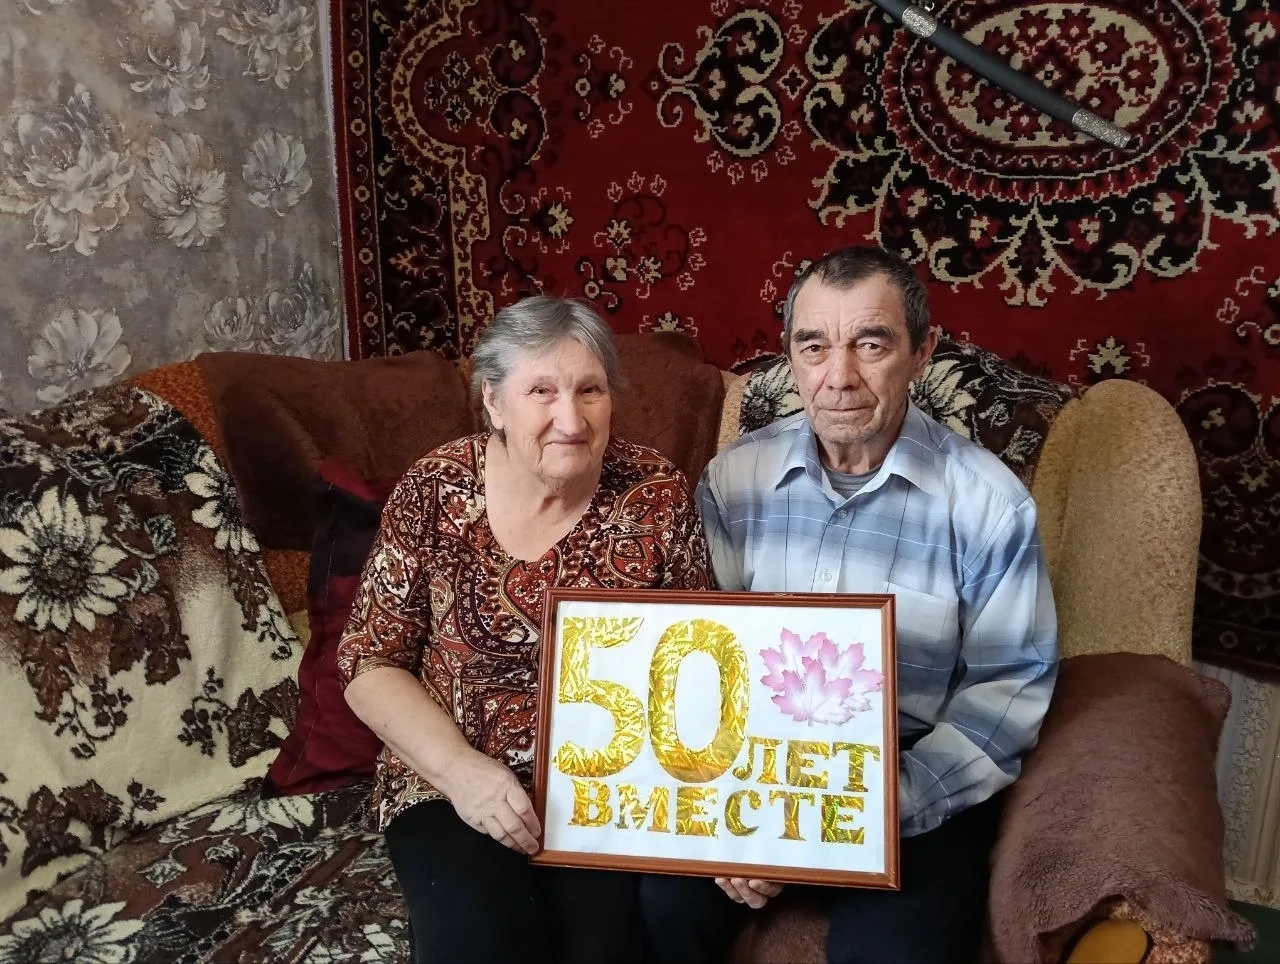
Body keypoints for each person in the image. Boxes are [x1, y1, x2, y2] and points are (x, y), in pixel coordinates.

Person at [637, 246, 1059, 964]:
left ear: (922, 352)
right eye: (814, 346)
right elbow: (701, 662)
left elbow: (1006, 694)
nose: (839, 377)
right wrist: (734, 817)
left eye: (871, 344)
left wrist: (868, 813)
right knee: (656, 911)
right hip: (755, 775)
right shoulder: (734, 480)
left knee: (897, 954)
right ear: (790, 358)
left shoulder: (989, 504)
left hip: (908, 786)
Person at [337, 295, 712, 964]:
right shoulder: (435, 490)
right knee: (477, 939)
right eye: (542, 391)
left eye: (590, 390)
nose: (570, 418)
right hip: (449, 774)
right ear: (494, 401)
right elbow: (369, 660)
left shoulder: (655, 495)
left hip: (606, 784)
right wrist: (461, 772)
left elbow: (699, 661)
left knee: (600, 949)